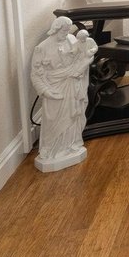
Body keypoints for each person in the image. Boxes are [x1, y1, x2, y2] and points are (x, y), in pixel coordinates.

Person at [30, 16, 97, 172]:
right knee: (54, 119)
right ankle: (51, 150)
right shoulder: (42, 48)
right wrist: (45, 91)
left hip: (73, 83)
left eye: (68, 30)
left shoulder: (72, 39)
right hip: (55, 86)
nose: (66, 33)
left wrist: (82, 66)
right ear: (56, 29)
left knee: (74, 115)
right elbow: (35, 74)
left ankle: (71, 145)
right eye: (63, 30)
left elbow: (83, 54)